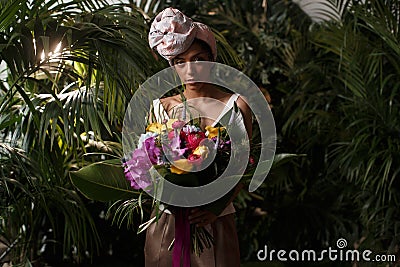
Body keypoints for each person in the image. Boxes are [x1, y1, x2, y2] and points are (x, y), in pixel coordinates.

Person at [144, 7, 252, 267]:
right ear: (172, 65)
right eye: (181, 62)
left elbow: (243, 165)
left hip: (216, 222)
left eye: (198, 59)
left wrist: (213, 209)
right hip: (168, 224)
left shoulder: (236, 106)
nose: (191, 69)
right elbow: (149, 164)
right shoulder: (161, 107)